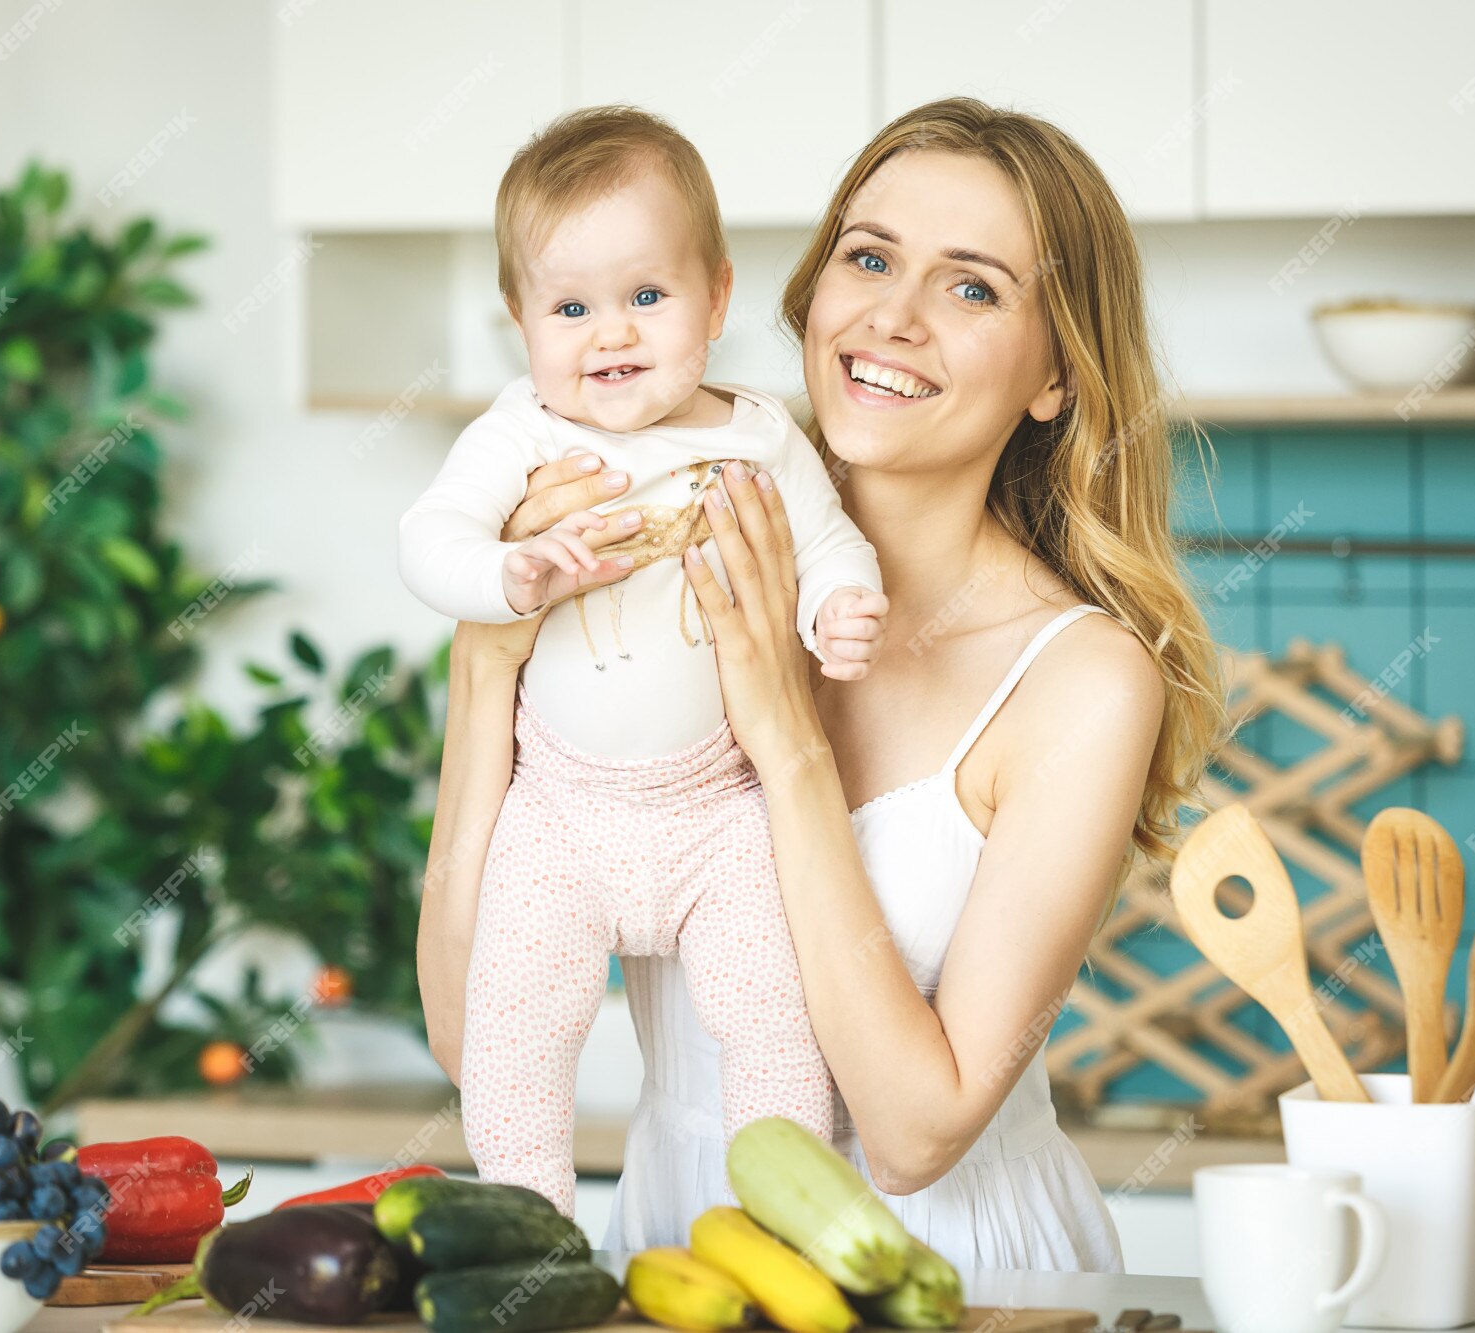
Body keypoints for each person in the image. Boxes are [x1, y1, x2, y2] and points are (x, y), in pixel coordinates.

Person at [417, 96, 1227, 1290]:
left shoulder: (1079, 681)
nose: (891, 318)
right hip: (673, 1260)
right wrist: (489, 658)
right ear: (801, 293)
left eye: (971, 288)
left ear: (1055, 372)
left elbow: (911, 1133)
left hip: (957, 1278)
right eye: (868, 257)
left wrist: (786, 742)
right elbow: (461, 1030)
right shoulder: (648, 555)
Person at [397, 105, 887, 1216]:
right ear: (519, 322)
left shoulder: (760, 434)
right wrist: (501, 576)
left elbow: (823, 540)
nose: (608, 334)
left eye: (645, 297)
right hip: (560, 807)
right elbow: (427, 536)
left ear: (715, 298)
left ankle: (778, 1222)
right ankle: (529, 1219)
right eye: (569, 307)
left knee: (773, 1013)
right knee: (515, 1022)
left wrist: (839, 605)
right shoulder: (522, 434)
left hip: (720, 809)